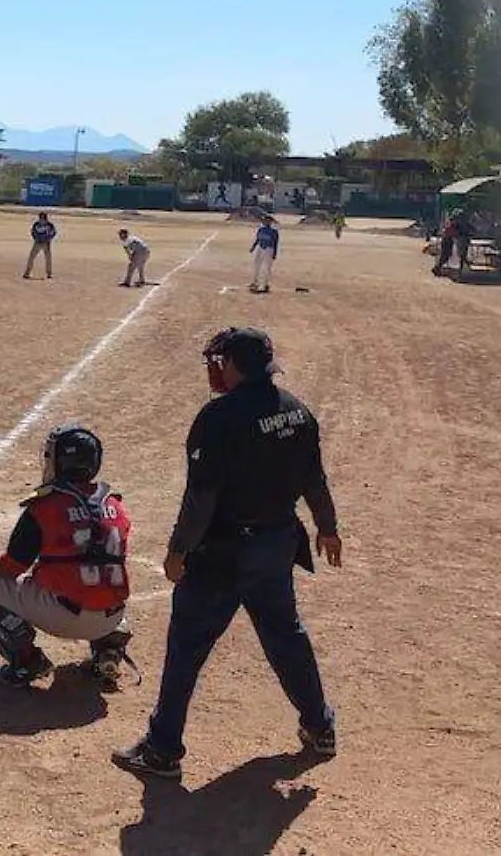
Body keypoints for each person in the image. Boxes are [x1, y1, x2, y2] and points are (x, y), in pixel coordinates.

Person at [113, 328, 342, 781]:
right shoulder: (296, 411)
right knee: (286, 637)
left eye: (220, 361)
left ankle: (162, 749)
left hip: (223, 552)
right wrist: (327, 527)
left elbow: (202, 496)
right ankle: (320, 727)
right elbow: (314, 478)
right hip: (276, 544)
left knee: (187, 646)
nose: (214, 369)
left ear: (234, 364)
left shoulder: (218, 418)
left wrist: (179, 549)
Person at [0, 424, 135, 689]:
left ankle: (26, 661)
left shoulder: (44, 506)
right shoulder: (115, 505)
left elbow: (10, 569)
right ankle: (108, 651)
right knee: (101, 575)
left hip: (61, 617)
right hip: (113, 617)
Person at [248, 214, 279, 293]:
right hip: (260, 248)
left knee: (266, 267)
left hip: (269, 249)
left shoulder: (273, 232)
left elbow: (275, 243)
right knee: (256, 265)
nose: (264, 222)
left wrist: (274, 253)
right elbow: (257, 239)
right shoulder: (261, 229)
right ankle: (254, 282)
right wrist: (253, 247)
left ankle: (263, 285)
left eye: (266, 221)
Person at [23, 213, 57, 280]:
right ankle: (27, 272)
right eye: (40, 218)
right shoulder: (36, 224)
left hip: (46, 243)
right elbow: (32, 232)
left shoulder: (49, 225)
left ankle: (49, 273)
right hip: (37, 243)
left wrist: (49, 238)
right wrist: (35, 238)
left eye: (42, 218)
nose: (41, 220)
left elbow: (54, 232)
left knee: (48, 259)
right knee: (31, 257)